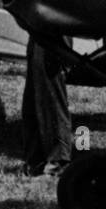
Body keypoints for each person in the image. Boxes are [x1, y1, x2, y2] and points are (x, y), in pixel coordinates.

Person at [20, 37, 73, 176]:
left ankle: (59, 161)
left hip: (53, 37)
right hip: (38, 34)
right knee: (33, 101)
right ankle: (36, 160)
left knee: (52, 100)